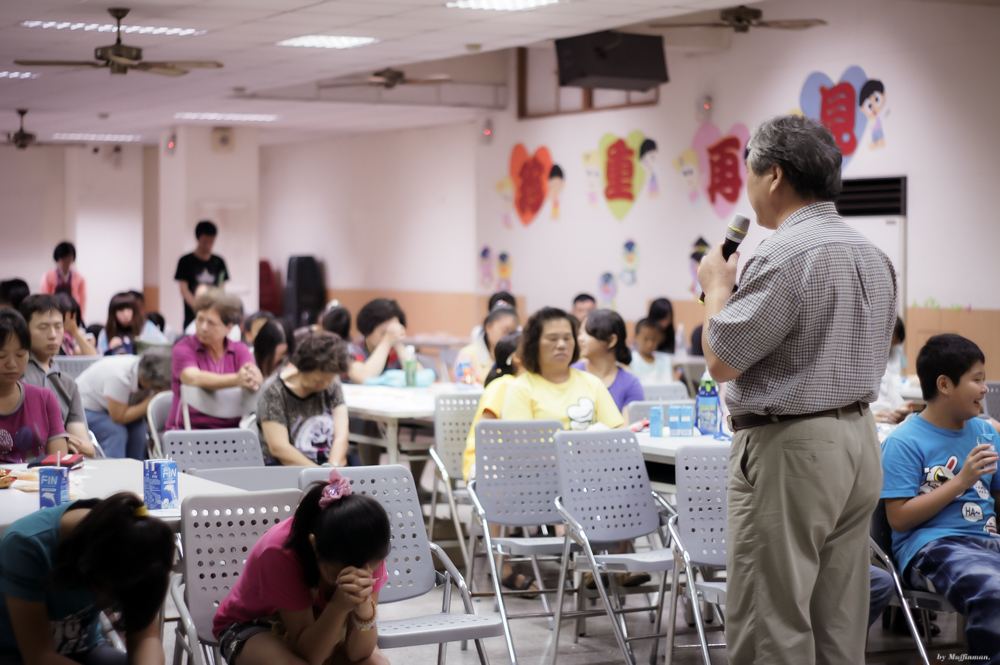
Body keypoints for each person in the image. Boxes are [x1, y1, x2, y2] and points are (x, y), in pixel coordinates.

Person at [697, 114, 897, 664]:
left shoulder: (785, 252)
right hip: (858, 440)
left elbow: (721, 360)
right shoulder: (873, 254)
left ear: (775, 176)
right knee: (839, 615)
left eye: (750, 172)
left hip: (793, 447)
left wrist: (716, 288)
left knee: (772, 618)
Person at [881, 334, 999, 660]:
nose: (985, 389)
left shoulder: (986, 432)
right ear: (945, 384)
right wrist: (961, 480)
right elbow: (899, 519)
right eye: (977, 379)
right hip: (934, 546)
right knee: (994, 592)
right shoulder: (904, 441)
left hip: (987, 541)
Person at [212, 469, 390, 665]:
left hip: (321, 627)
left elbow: (359, 654)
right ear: (314, 545)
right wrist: (339, 606)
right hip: (254, 625)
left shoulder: (369, 551)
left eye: (368, 573)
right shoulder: (280, 552)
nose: (358, 578)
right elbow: (311, 656)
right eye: (341, 574)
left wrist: (364, 610)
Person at [0, 492, 175, 663]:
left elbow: (146, 638)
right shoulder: (26, 545)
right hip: (16, 653)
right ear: (86, 565)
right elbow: (39, 657)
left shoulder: (135, 545)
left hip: (84, 649)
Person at [502, 307, 623, 431]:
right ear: (534, 344)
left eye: (567, 338)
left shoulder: (593, 383)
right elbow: (519, 441)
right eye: (552, 339)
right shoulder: (520, 389)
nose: (562, 345)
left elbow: (618, 432)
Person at [167, 288, 261, 431]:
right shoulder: (184, 347)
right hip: (186, 432)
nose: (203, 328)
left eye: (211, 323)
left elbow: (252, 374)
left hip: (229, 434)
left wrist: (254, 377)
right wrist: (237, 379)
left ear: (228, 328)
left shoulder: (239, 350)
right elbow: (192, 377)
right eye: (200, 320)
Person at [257, 332, 350, 467]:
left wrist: (333, 469)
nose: (325, 386)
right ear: (303, 368)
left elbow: (341, 436)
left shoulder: (332, 384)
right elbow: (279, 448)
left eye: (329, 381)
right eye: (319, 381)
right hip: (285, 470)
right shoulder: (273, 392)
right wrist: (319, 474)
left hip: (325, 469)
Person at [18, 295, 95, 457]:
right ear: (24, 330)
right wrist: (59, 438)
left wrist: (59, 439)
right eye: (43, 327)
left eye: (58, 326)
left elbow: (87, 449)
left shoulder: (68, 383)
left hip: (61, 463)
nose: (53, 334)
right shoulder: (14, 374)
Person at [0, 309, 69, 463]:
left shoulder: (44, 399)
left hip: (36, 478)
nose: (12, 364)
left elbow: (58, 463)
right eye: (1, 356)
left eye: (20, 354)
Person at [77, 349, 172, 460]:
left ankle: (136, 468)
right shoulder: (120, 376)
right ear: (148, 381)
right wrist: (151, 401)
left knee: (139, 431)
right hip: (85, 407)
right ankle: (113, 469)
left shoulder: (146, 370)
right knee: (116, 432)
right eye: (157, 387)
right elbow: (118, 417)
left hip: (111, 408)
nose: (158, 390)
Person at [463, 332, 523, 483]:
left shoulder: (527, 384)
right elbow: (485, 434)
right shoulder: (504, 384)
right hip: (486, 461)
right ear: (516, 358)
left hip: (511, 462)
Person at [572, 309, 644, 419]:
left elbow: (627, 428)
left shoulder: (630, 384)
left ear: (611, 340)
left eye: (588, 333)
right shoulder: (571, 374)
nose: (580, 338)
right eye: (580, 333)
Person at [175, 220, 229, 329]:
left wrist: (213, 309)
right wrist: (199, 308)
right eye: (205, 242)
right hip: (192, 316)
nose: (208, 246)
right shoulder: (185, 261)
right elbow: (184, 290)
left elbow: (221, 288)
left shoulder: (219, 262)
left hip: (214, 314)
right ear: (198, 239)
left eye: (211, 242)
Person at [346, 298, 410, 385]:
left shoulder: (395, 352)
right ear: (367, 330)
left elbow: (418, 377)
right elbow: (364, 378)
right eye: (384, 333)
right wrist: (386, 342)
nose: (391, 336)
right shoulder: (352, 350)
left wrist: (398, 344)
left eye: (394, 332)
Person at [453, 306, 519, 385]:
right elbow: (466, 388)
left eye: (513, 333)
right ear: (488, 327)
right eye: (505, 331)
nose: (509, 336)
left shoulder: (516, 356)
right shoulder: (467, 355)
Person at [97, 292, 166, 356]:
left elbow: (165, 347)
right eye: (121, 310)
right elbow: (99, 359)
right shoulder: (105, 333)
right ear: (113, 313)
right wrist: (110, 349)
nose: (126, 314)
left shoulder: (146, 327)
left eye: (129, 309)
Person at [873, 318, 914, 424]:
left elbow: (898, 403)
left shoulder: (884, 371)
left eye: (895, 342)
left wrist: (904, 411)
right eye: (890, 341)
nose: (890, 346)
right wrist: (869, 419)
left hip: (888, 423)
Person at [39, 241, 87, 315]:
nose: (67, 261)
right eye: (64, 258)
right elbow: (44, 299)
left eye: (69, 258)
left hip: (72, 314)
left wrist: (80, 317)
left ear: (73, 258)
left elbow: (82, 302)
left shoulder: (80, 279)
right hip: (53, 313)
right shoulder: (48, 277)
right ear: (58, 258)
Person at [629, 318, 673, 385]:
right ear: (636, 337)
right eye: (645, 339)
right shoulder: (630, 361)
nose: (650, 344)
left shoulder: (665, 361)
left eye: (654, 339)